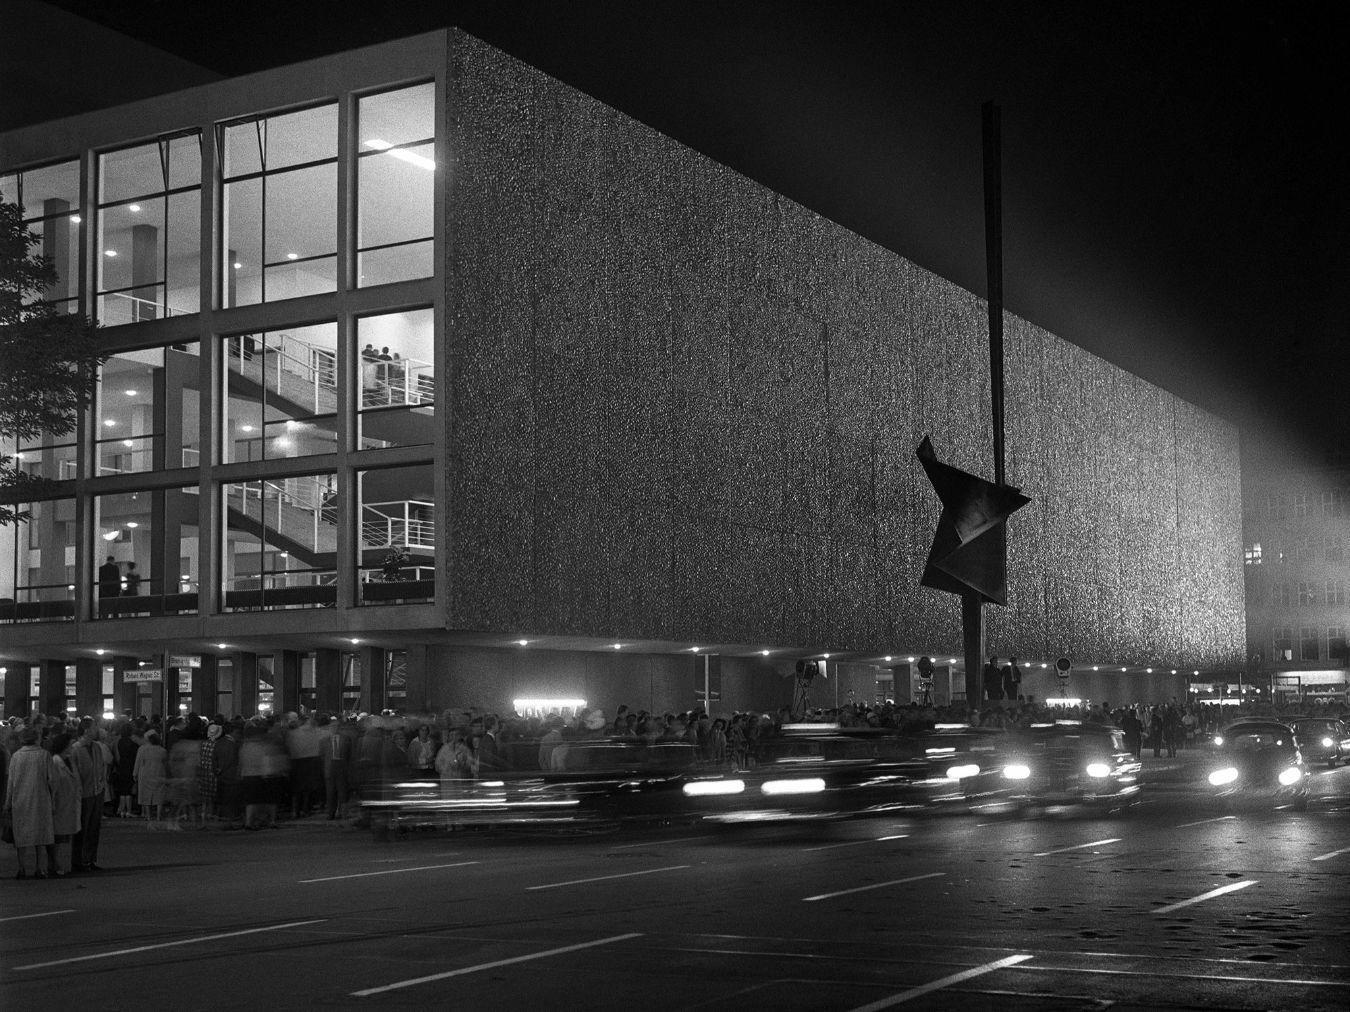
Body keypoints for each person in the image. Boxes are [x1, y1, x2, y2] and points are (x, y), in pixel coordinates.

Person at [4, 726, 55, 878]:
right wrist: (54, 799)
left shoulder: (16, 756)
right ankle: (40, 868)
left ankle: (22, 868)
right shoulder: (44, 755)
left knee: (21, 836)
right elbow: (52, 779)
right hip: (41, 799)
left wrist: (7, 803)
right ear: (37, 738)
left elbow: (11, 782)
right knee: (40, 835)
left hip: (20, 800)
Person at [71, 717, 109, 869]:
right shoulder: (75, 749)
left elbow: (100, 766)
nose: (97, 730)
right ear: (86, 730)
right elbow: (75, 773)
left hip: (96, 791)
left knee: (94, 827)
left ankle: (91, 859)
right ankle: (78, 861)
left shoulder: (96, 747)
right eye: (94, 728)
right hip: (83, 794)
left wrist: (101, 783)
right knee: (81, 828)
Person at [48, 732, 81, 877]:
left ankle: (60, 864)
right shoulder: (55, 762)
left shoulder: (67, 761)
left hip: (68, 803)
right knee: (58, 837)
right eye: (70, 746)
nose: (72, 748)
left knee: (64, 837)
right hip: (60, 804)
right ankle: (56, 865)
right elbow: (53, 784)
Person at [134, 730, 168, 826]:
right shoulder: (163, 751)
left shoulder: (143, 749)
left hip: (146, 773)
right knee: (159, 795)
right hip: (159, 773)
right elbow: (165, 763)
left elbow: (139, 762)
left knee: (146, 794)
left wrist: (135, 773)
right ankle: (158, 816)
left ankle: (148, 816)